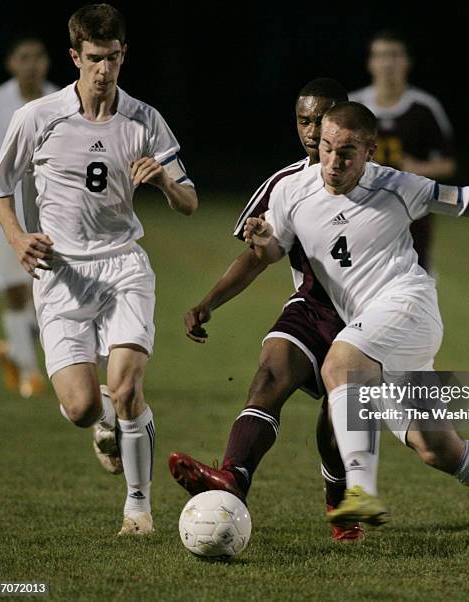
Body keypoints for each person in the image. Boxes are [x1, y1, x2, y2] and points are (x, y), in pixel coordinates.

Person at [244, 101, 469, 553]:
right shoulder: (292, 191)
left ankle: (360, 490)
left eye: (347, 151)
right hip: (376, 335)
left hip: (407, 309)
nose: (333, 161)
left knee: (341, 365)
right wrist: (264, 241)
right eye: (327, 148)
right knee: (439, 449)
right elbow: (274, 249)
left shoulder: (396, 186)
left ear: (371, 150)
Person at [0, 4, 198, 535]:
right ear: (75, 57)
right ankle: (100, 421)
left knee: (127, 389)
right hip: (60, 273)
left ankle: (138, 508)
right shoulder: (37, 117)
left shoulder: (145, 119)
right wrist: (16, 237)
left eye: (113, 58)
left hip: (124, 265)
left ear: (124, 54)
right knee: (83, 407)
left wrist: (166, 184)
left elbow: (190, 202)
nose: (103, 70)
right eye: (94, 59)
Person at [168, 78, 364, 541]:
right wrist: (208, 302)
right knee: (270, 374)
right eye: (304, 120)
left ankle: (339, 499)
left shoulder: (378, 182)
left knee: (337, 425)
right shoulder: (286, 184)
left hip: (366, 319)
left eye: (322, 118)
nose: (313, 130)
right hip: (311, 308)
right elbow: (258, 255)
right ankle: (232, 478)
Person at [350, 30, 456, 271]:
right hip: (362, 208)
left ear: (406, 61)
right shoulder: (353, 106)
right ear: (371, 63)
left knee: (414, 281)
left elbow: (448, 163)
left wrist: (418, 168)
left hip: (412, 212)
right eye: (380, 55)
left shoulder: (424, 108)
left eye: (394, 55)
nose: (387, 63)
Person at [0, 37, 57, 398]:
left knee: (45, 289)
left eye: (38, 56)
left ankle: (15, 351)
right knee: (15, 292)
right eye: (24, 57)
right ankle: (30, 371)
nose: (32, 64)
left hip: (51, 212)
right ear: (11, 63)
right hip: (2, 213)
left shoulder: (60, 100)